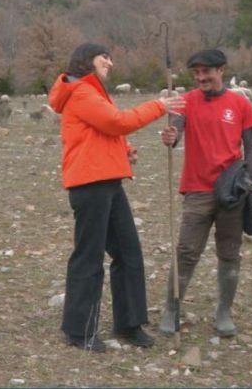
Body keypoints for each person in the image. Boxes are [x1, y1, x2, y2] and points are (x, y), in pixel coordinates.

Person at [48, 42, 183, 353]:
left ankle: (129, 324)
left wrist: (124, 150)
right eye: (104, 58)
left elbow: (102, 131)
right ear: (87, 61)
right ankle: (79, 330)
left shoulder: (92, 91)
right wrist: (160, 105)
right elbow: (116, 122)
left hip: (107, 181)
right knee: (89, 257)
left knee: (129, 253)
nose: (110, 63)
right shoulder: (82, 91)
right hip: (89, 184)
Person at [158, 49, 252, 338]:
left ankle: (224, 311)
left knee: (229, 254)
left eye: (206, 72)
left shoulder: (240, 103)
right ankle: (172, 307)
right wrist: (171, 138)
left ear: (221, 70)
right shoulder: (186, 102)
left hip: (231, 190)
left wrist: (250, 179)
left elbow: (250, 145)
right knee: (186, 252)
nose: (201, 77)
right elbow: (175, 131)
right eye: (196, 73)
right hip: (197, 190)